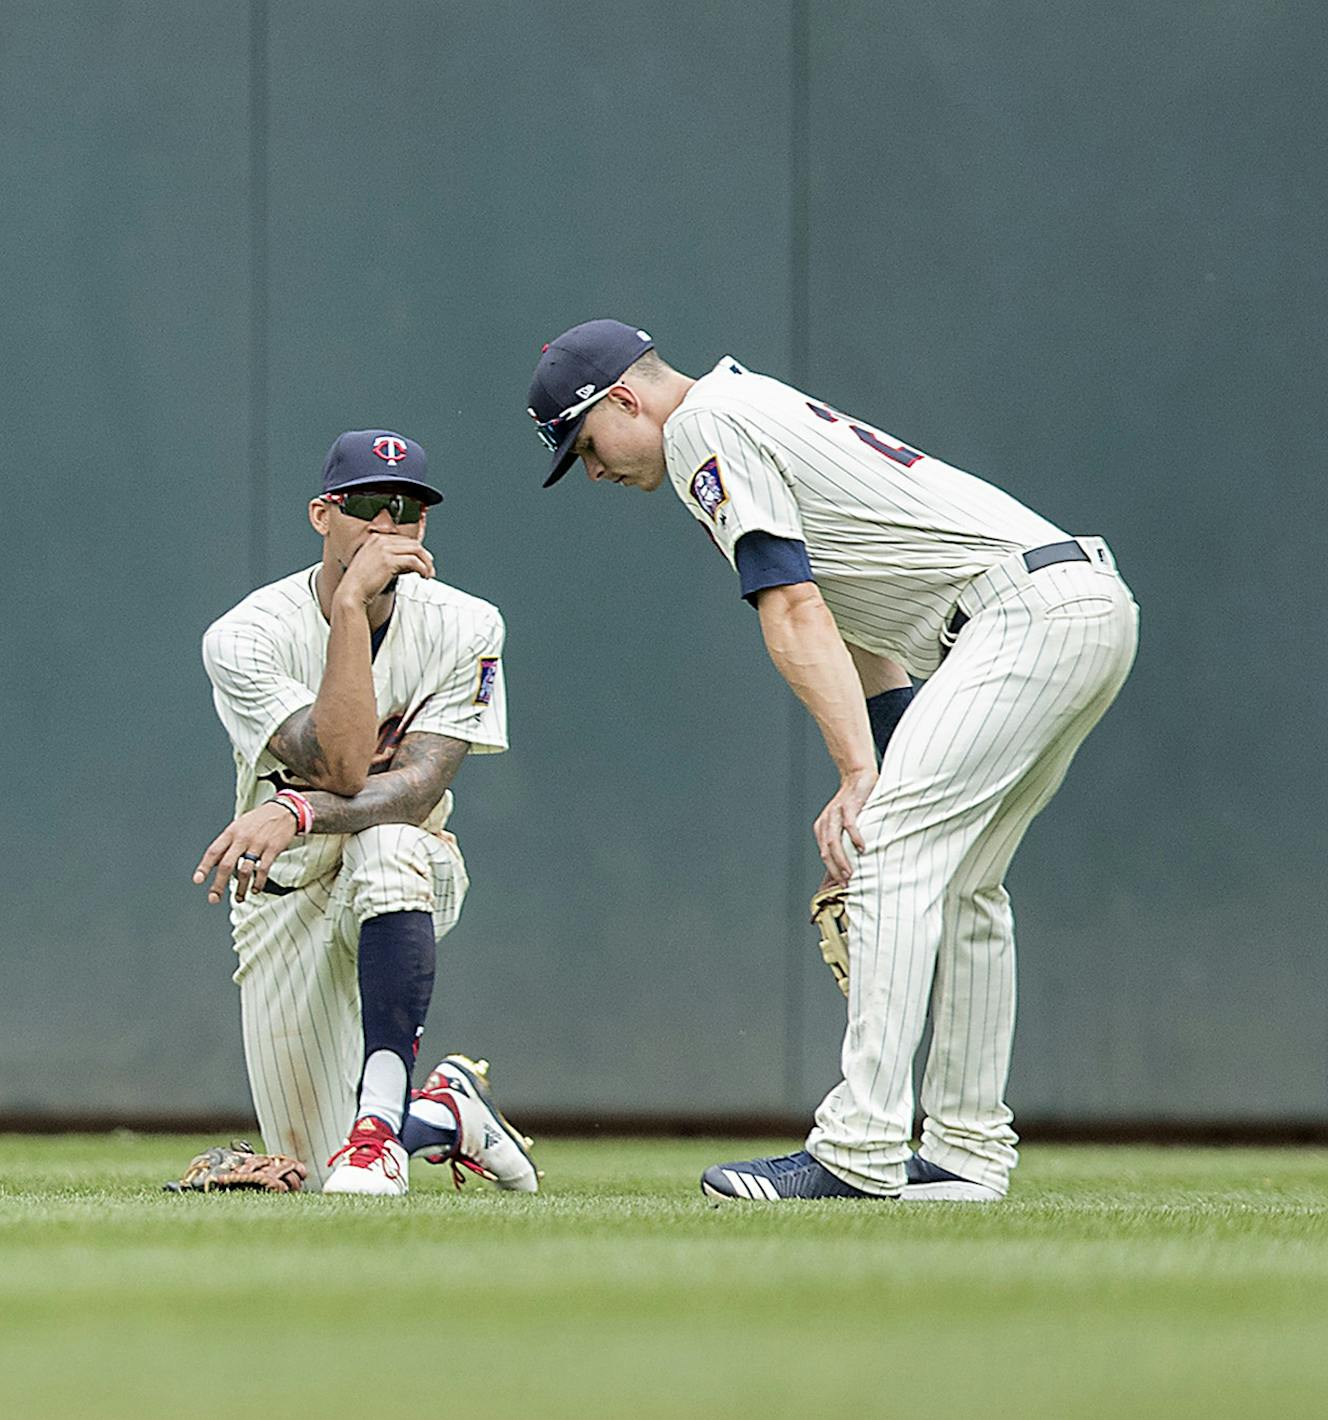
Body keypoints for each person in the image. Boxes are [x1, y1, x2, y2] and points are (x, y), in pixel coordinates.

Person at [526, 320, 1138, 1202]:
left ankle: (859, 1149)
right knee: (964, 881)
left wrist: (860, 780)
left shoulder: (705, 426)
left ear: (624, 398)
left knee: (885, 852)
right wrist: (879, 760)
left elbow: (795, 607)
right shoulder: (745, 404)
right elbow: (855, 617)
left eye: (585, 444)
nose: (591, 468)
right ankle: (966, 1152)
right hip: (1071, 604)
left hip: (1020, 617)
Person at [195, 430, 537, 1196]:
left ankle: (382, 1125)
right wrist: (350, 606)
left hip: (411, 869)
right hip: (282, 899)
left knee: (388, 841)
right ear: (323, 515)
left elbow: (414, 791)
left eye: (407, 511)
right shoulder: (246, 636)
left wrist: (297, 810)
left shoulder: (467, 624)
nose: (388, 528)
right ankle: (449, 1115)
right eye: (367, 508)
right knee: (318, 1176)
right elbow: (344, 765)